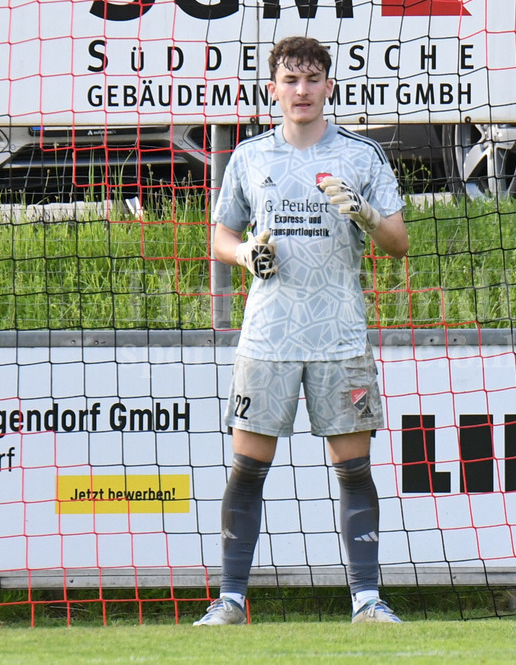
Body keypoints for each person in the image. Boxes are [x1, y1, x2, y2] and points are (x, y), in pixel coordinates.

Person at [194, 36, 410, 626]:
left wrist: (362, 212)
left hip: (340, 335)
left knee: (354, 467)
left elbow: (398, 242)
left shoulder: (361, 158)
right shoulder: (250, 157)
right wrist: (243, 257)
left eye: (313, 79)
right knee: (247, 466)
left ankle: (367, 599)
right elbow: (218, 235)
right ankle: (231, 599)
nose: (302, 90)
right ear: (274, 90)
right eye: (291, 80)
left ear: (330, 87)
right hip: (268, 338)